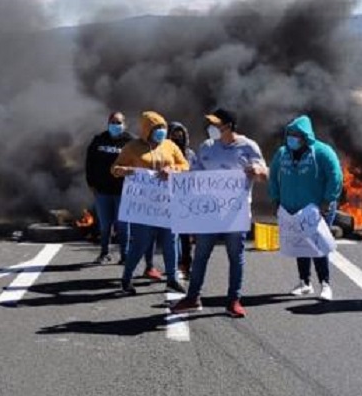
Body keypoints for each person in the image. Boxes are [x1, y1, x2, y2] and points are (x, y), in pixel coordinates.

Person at [171, 109, 268, 317]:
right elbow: (193, 175)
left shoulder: (248, 146)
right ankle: (192, 297)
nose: (211, 128)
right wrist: (172, 175)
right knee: (201, 256)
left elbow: (263, 173)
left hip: (235, 214)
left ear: (230, 125)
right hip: (209, 213)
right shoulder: (206, 147)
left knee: (236, 257)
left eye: (216, 124)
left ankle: (233, 300)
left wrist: (257, 172)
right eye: (211, 124)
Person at [112, 111, 190, 295]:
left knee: (171, 242)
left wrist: (172, 169)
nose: (161, 131)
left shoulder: (170, 146)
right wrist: (124, 171)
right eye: (156, 128)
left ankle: (172, 279)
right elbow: (114, 168)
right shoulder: (132, 147)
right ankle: (127, 278)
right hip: (143, 208)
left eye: (163, 127)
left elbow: (185, 166)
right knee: (140, 243)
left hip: (167, 205)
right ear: (147, 130)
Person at [269, 115, 344, 301]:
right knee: (299, 244)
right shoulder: (282, 153)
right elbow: (273, 176)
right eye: (290, 134)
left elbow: (335, 176)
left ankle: (325, 284)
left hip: (317, 209)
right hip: (291, 208)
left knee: (317, 245)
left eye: (296, 134)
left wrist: (327, 200)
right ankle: (304, 282)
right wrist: (276, 198)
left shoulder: (322, 152)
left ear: (305, 136)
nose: (292, 138)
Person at [85, 112, 133, 265]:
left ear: (124, 124)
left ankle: (125, 255)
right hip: (103, 191)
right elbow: (89, 163)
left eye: (118, 122)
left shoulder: (131, 142)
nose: (115, 125)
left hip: (123, 192)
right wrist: (91, 183)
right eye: (112, 122)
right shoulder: (99, 140)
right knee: (105, 225)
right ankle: (104, 252)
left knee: (123, 225)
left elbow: (139, 164)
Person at [168, 121, 197, 279]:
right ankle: (173, 265)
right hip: (168, 199)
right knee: (172, 237)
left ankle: (186, 265)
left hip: (186, 200)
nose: (177, 138)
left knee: (186, 237)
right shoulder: (163, 152)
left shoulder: (191, 154)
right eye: (174, 134)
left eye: (180, 134)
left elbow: (197, 173)